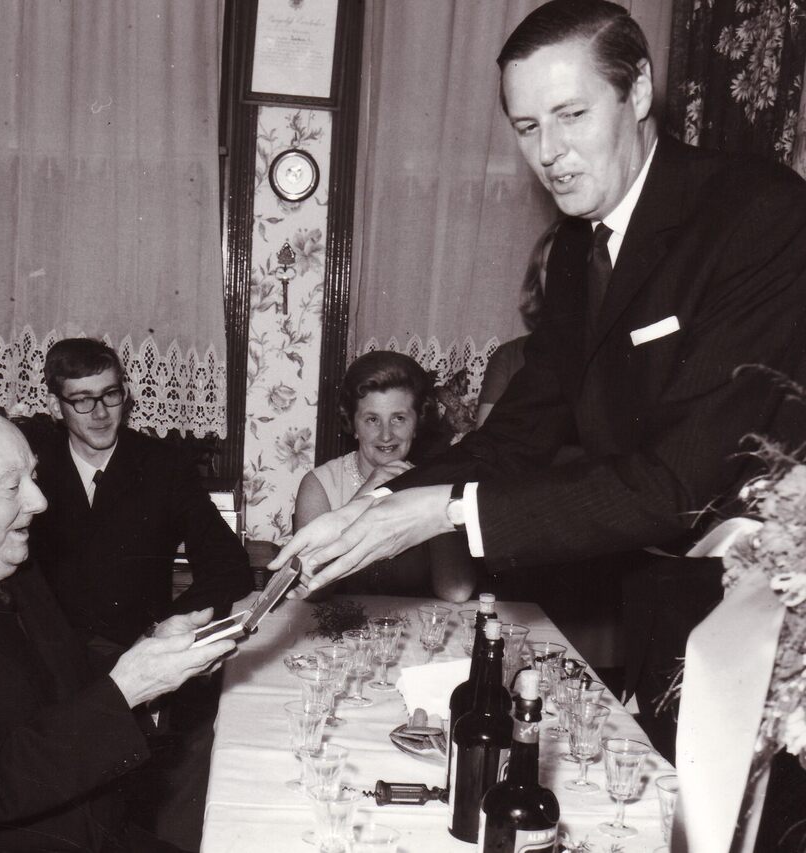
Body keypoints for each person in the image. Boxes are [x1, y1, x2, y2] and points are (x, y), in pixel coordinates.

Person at [274, 0, 806, 759]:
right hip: (667, 608)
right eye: (527, 127)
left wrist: (444, 510)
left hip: (774, 624)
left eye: (571, 115)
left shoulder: (756, 213)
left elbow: (675, 482)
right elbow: (521, 430)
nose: (549, 152)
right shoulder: (578, 252)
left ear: (639, 91)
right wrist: (374, 506)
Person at [0, 402, 235, 852]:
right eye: (13, 486)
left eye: (33, 476)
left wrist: (151, 651)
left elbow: (62, 683)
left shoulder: (1, 558)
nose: (39, 501)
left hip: (89, 826)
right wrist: (128, 688)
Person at [30, 338, 252, 657]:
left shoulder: (164, 466)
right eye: (83, 400)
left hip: (142, 651)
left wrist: (162, 630)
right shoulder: (33, 466)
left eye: (110, 394)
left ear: (125, 394)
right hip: (49, 658)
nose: (101, 413)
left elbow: (229, 567)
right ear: (55, 406)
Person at [294, 350, 476, 601]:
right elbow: (311, 592)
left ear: (417, 424)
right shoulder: (318, 485)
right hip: (338, 624)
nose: (386, 435)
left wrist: (434, 495)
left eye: (399, 418)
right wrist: (365, 497)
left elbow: (456, 591)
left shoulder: (432, 483)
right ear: (353, 425)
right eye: (372, 420)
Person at [476, 222, 558, 427]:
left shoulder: (610, 356)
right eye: (550, 268)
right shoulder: (509, 356)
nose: (560, 278)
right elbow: (487, 437)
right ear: (538, 278)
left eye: (572, 267)